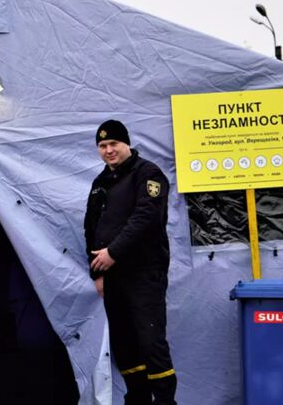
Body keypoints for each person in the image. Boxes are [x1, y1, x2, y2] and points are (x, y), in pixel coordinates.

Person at [84, 120, 177, 405]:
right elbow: (91, 227)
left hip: (144, 274)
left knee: (151, 342)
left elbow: (145, 218)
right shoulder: (101, 182)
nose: (109, 150)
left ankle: (165, 401)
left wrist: (112, 253)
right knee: (124, 344)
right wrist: (97, 273)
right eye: (102, 146)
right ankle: (137, 399)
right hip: (113, 277)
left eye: (114, 143)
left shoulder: (148, 174)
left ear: (127, 143)